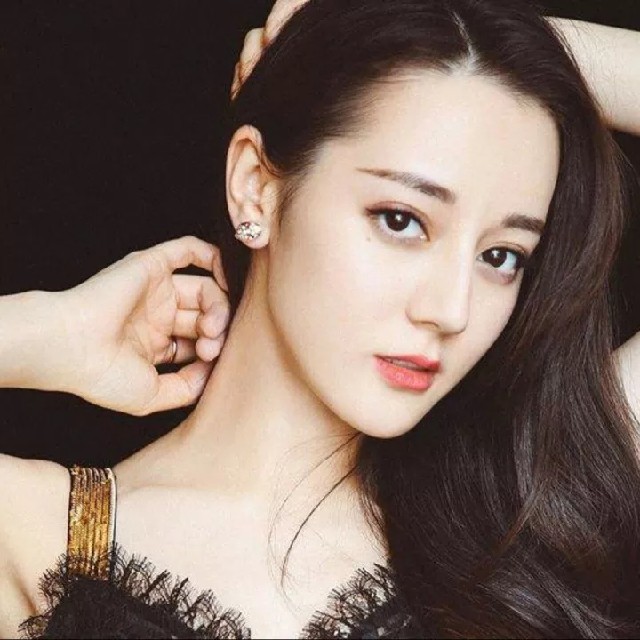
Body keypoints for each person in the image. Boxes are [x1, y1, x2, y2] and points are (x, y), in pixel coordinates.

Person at [1, 0, 640, 637]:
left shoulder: (518, 512)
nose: (451, 310)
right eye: (401, 221)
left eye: (501, 257)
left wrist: (488, 33)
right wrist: (51, 335)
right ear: (255, 185)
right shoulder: (34, 537)